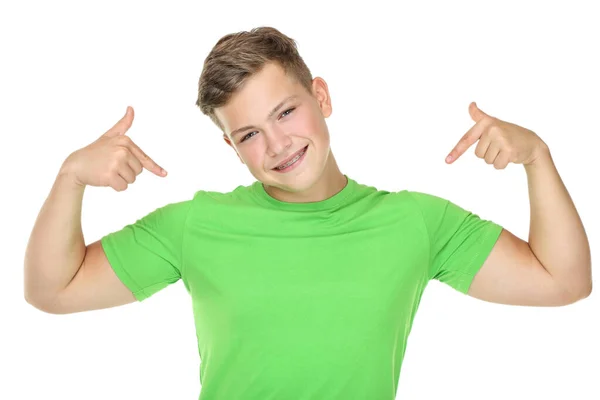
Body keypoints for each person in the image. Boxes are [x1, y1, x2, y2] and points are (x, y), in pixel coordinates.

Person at [24, 26, 592, 400]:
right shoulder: (195, 226)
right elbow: (52, 291)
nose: (276, 145)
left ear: (320, 97)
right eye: (248, 134)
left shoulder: (415, 223)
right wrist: (70, 178)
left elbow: (563, 280)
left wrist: (537, 158)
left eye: (286, 111)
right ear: (230, 146)